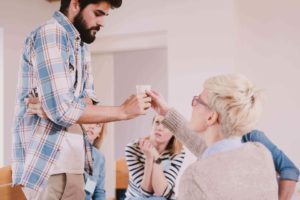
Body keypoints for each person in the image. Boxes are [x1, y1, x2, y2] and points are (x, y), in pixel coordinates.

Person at [12, 0, 151, 199]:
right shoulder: (50, 34)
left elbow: (85, 103)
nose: (102, 22)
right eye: (98, 13)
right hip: (47, 163)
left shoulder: (81, 45)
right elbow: (63, 110)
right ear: (75, 4)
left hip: (75, 159)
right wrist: (123, 111)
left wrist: (63, 107)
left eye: (105, 15)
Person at [147, 74, 299, 200]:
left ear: (211, 117)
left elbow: (214, 163)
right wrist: (166, 112)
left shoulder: (195, 177)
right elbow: (216, 156)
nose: (192, 105)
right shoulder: (261, 154)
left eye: (198, 101)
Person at [125, 115, 185, 200]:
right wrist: (149, 158)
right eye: (157, 122)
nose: (159, 128)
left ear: (173, 132)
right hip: (137, 197)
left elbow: (161, 192)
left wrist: (156, 156)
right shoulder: (133, 148)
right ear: (152, 124)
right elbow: (145, 192)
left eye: (166, 126)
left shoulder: (177, 152)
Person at [82, 123, 107, 200]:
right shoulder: (66, 148)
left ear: (99, 133)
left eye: (98, 125)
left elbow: (98, 192)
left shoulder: (99, 158)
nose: (92, 126)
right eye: (90, 121)